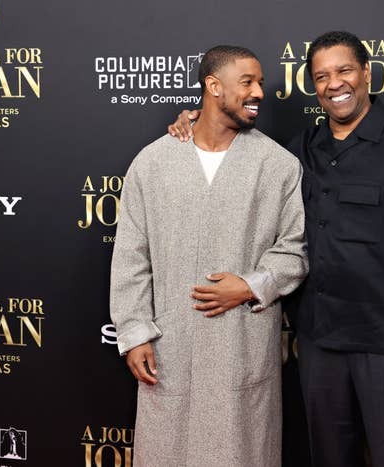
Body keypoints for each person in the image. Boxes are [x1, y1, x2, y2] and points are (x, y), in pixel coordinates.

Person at [169, 31, 384, 467]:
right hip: (321, 344)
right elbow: (238, 148)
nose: (334, 84)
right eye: (321, 76)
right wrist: (196, 122)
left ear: (366, 72)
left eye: (344, 70)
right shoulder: (301, 149)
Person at [111, 45, 308, 467]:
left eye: (260, 81)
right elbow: (131, 255)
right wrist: (134, 332)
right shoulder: (153, 162)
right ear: (213, 87)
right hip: (169, 349)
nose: (259, 91)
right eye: (248, 82)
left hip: (242, 348)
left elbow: (295, 251)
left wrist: (251, 285)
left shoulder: (278, 165)